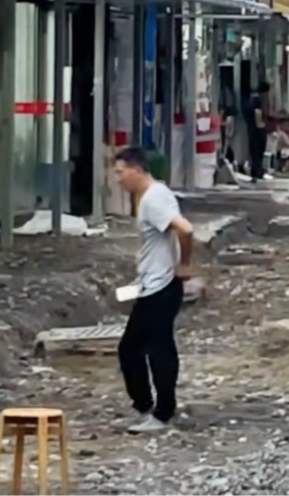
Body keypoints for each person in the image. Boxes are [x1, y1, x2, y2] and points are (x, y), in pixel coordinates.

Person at [113, 147, 195, 433]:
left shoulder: (153, 199)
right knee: (133, 348)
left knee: (154, 348)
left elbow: (185, 229)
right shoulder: (152, 196)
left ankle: (161, 412)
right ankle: (147, 406)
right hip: (152, 284)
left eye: (121, 172)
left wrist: (184, 264)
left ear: (137, 170)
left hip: (161, 287)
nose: (118, 179)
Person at [245, 81, 271, 181]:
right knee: (257, 151)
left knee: (256, 151)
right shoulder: (260, 99)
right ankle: (257, 171)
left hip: (255, 129)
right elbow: (262, 115)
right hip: (258, 129)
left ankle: (256, 171)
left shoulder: (254, 100)